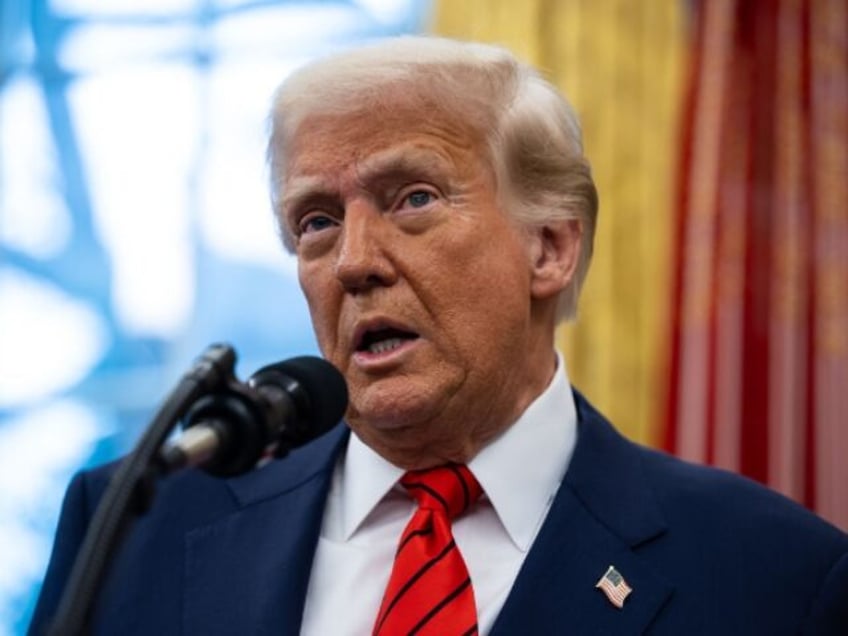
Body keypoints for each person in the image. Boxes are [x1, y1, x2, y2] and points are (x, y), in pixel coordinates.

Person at [30, 36, 847, 635]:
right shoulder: (133, 527)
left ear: (550, 247)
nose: (353, 262)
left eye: (412, 198)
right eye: (314, 221)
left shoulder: (777, 576)